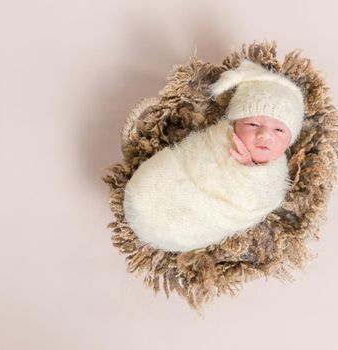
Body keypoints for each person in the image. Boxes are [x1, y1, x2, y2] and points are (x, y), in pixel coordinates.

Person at [123, 60, 305, 252]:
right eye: (253, 124)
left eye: (279, 130)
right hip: (177, 179)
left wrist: (252, 171)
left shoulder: (276, 171)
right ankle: (148, 202)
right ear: (234, 123)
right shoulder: (219, 137)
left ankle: (170, 228)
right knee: (151, 191)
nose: (265, 135)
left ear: (289, 141)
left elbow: (264, 198)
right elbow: (194, 152)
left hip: (207, 213)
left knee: (182, 226)